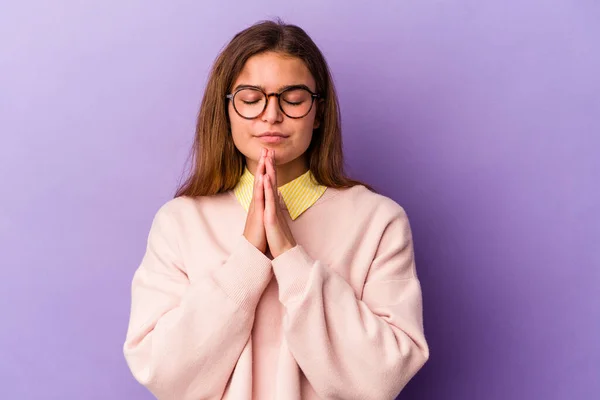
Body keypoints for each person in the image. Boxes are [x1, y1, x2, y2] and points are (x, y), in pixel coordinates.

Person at [123, 19, 429, 400]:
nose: (271, 115)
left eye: (294, 99)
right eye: (251, 99)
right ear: (227, 111)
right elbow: (164, 373)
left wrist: (290, 256)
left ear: (318, 113)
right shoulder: (179, 222)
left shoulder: (379, 221)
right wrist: (248, 257)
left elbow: (382, 377)